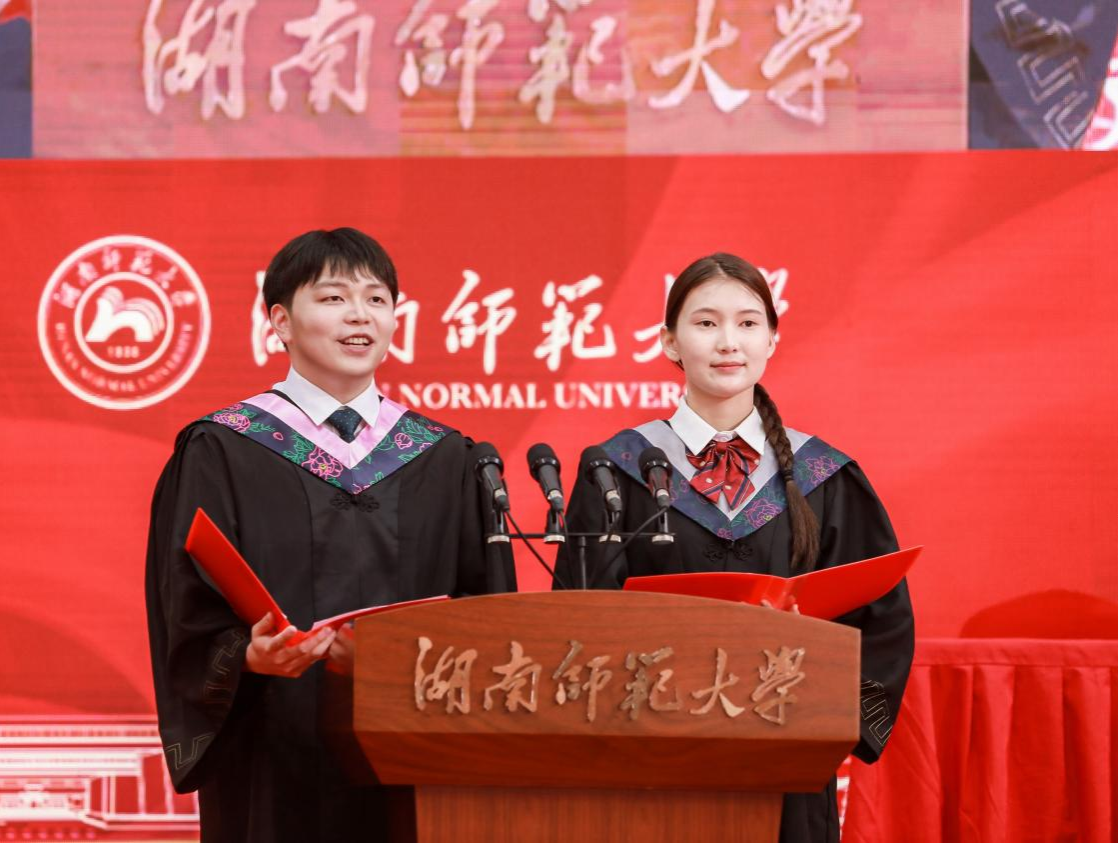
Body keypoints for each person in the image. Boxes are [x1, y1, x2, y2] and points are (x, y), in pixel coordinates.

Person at [146, 228, 516, 841]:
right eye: (334, 298)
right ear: (280, 322)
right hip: (272, 745)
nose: (360, 315)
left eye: (377, 299)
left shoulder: (444, 456)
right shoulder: (223, 448)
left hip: (412, 748)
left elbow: (484, 611)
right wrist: (246, 656)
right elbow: (185, 605)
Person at [554, 252, 914, 843]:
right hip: (653, 762)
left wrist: (825, 721)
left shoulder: (823, 475)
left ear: (772, 339)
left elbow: (881, 618)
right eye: (706, 323)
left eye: (748, 323)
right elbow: (579, 616)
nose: (728, 342)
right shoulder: (617, 471)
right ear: (670, 342)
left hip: (785, 755)